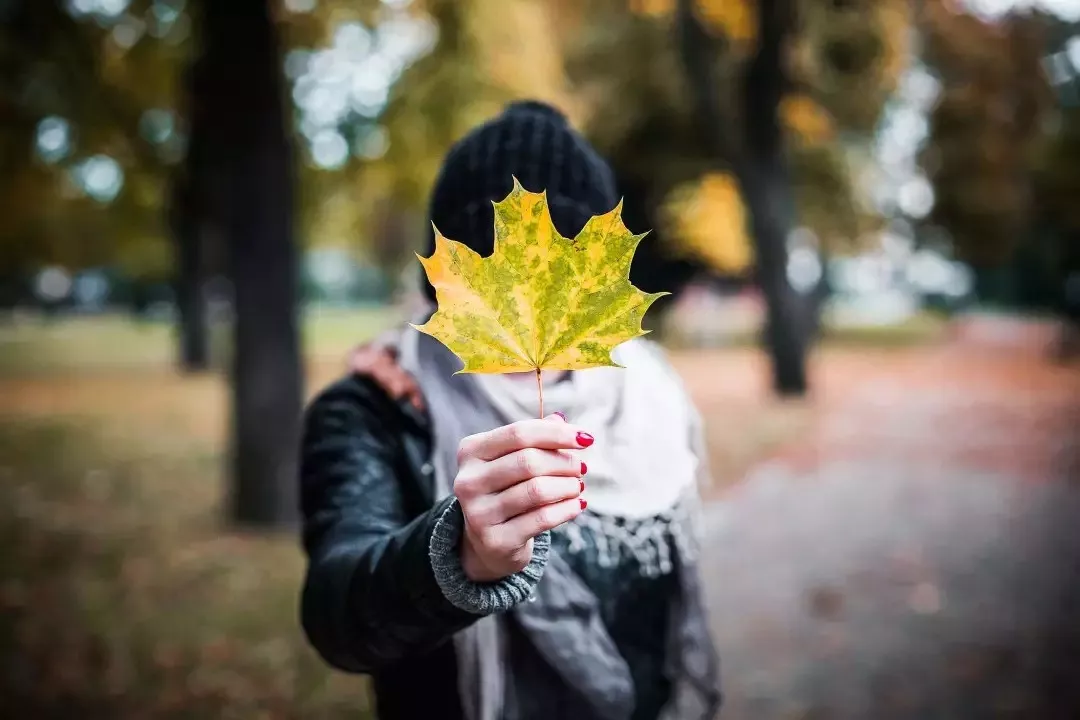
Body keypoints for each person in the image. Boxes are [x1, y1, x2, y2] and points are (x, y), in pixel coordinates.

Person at [299, 100, 722, 720]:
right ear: (438, 289)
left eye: (561, 283)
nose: (530, 310)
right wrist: (456, 557)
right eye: (496, 286)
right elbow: (338, 613)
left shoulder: (648, 395)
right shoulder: (377, 409)